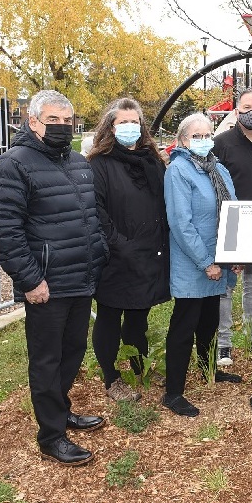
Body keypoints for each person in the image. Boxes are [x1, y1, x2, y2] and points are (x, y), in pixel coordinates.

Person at [0, 90, 108, 466]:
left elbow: (90, 216)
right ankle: (51, 435)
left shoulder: (77, 162)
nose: (61, 127)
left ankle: (60, 410)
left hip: (80, 278)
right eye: (52, 120)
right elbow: (4, 230)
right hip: (46, 284)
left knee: (71, 353)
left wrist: (99, 254)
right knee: (46, 360)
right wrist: (29, 279)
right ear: (33, 122)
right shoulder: (13, 165)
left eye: (67, 121)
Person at [87, 98, 170, 402]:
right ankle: (111, 378)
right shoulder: (100, 163)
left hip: (149, 252)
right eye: (123, 122)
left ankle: (140, 366)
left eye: (134, 121)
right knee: (110, 317)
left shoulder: (152, 160)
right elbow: (96, 212)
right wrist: (121, 245)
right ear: (110, 126)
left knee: (139, 317)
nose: (130, 127)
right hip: (116, 256)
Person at [163, 112, 242, 417]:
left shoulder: (218, 169)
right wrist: (206, 262)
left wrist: (234, 257)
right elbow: (181, 224)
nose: (204, 139)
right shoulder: (179, 171)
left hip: (219, 262)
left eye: (208, 134)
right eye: (196, 135)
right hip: (194, 263)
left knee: (209, 322)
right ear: (183, 140)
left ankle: (210, 369)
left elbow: (233, 212)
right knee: (185, 325)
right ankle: (173, 392)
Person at [213, 88, 252, 364]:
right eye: (246, 106)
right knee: (226, 287)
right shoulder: (221, 143)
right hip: (229, 223)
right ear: (236, 110)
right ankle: (224, 344)